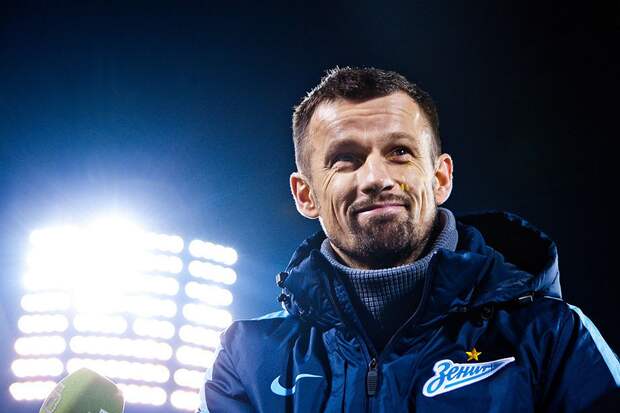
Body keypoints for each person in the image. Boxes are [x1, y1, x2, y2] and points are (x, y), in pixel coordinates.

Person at [198, 67, 619, 412]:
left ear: (440, 178)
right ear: (306, 194)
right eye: (345, 159)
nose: (376, 178)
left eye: (399, 152)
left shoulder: (553, 333)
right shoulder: (248, 356)